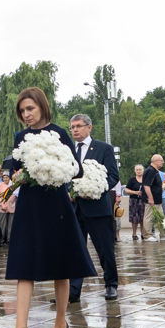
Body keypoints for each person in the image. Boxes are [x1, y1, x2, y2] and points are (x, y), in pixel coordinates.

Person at [1, 87, 96, 328]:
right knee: (23, 264)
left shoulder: (60, 133)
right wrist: (20, 176)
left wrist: (53, 169)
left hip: (55, 204)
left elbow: (76, 170)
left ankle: (60, 324)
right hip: (29, 205)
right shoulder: (20, 137)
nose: (26, 114)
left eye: (30, 108)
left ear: (42, 106)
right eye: (22, 111)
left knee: (60, 266)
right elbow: (15, 170)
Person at [68, 113, 120, 302]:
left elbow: (113, 176)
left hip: (97, 208)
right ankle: (73, 291)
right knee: (75, 251)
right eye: (72, 127)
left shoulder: (103, 149)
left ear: (89, 127)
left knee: (105, 249)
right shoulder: (67, 151)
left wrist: (94, 188)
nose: (75, 130)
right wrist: (68, 191)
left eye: (78, 126)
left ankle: (111, 284)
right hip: (74, 209)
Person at [141, 155, 165, 241]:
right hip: (151, 200)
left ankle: (163, 235)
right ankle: (147, 235)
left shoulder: (155, 171)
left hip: (157, 199)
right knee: (149, 217)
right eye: (161, 160)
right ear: (156, 161)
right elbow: (146, 186)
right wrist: (150, 198)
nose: (163, 162)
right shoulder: (150, 171)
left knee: (161, 217)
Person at [125, 165, 145, 240]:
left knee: (143, 218)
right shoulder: (132, 180)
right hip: (134, 201)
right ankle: (134, 234)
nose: (138, 171)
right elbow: (126, 190)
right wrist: (135, 192)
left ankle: (143, 233)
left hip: (143, 201)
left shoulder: (146, 179)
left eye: (140, 169)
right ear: (135, 171)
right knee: (134, 218)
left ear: (143, 170)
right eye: (137, 170)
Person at [0, 173, 16, 245]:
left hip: (11, 207)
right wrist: (2, 205)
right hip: (2, 207)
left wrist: (10, 204)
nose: (5, 179)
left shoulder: (13, 185)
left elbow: (15, 195)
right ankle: (1, 240)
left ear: (9, 178)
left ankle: (9, 239)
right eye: (4, 177)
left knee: (10, 225)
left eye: (7, 177)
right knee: (2, 224)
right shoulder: (0, 185)